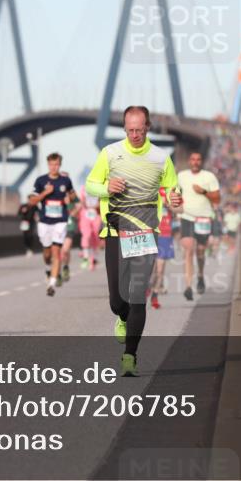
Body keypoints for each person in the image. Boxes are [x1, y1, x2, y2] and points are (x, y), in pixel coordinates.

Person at [85, 105, 182, 377]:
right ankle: (121, 316)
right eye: (130, 130)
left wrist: (174, 199)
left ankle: (130, 355)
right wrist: (106, 188)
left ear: (148, 127)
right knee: (118, 299)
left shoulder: (161, 158)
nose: (135, 135)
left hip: (145, 234)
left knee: (138, 295)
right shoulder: (110, 154)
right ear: (124, 128)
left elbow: (172, 190)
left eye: (140, 130)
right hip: (115, 233)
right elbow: (90, 185)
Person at [30, 153, 76, 296]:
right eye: (51, 164)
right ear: (48, 164)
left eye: (56, 164)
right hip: (44, 221)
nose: (54, 167)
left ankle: (51, 284)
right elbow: (32, 201)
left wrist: (70, 198)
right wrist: (45, 192)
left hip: (60, 221)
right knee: (47, 253)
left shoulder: (65, 180)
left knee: (57, 252)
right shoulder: (41, 180)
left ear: (60, 165)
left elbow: (73, 195)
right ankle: (47, 268)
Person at [177, 151, 220, 300]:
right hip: (187, 217)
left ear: (201, 162)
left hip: (204, 218)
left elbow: (217, 198)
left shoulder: (209, 177)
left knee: (200, 252)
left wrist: (203, 191)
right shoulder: (181, 176)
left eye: (198, 159)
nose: (195, 162)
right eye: (193, 159)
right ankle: (188, 286)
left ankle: (200, 275)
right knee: (188, 249)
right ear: (189, 161)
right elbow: (175, 193)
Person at [147, 186, 178, 309]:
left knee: (160, 269)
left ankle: (155, 295)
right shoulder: (151, 188)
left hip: (165, 236)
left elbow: (180, 209)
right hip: (151, 234)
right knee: (151, 268)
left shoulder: (171, 190)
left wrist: (168, 205)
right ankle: (150, 288)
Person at [78, 184, 103, 270]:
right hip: (86, 214)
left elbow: (101, 201)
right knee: (86, 235)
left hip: (96, 214)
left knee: (95, 236)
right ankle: (85, 257)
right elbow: (82, 201)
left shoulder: (100, 187)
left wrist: (95, 206)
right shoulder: (84, 187)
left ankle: (94, 258)